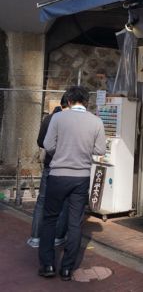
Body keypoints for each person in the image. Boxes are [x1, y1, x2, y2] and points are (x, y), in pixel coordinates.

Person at [38, 86, 106, 281]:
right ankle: (67, 269)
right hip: (81, 177)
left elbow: (48, 144)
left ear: (68, 101)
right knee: (75, 222)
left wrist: (62, 154)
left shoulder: (58, 118)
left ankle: (48, 265)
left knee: (50, 219)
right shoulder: (96, 121)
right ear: (86, 102)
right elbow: (100, 149)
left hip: (58, 175)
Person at [27, 93, 70, 248]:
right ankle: (58, 237)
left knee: (42, 201)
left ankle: (35, 237)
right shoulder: (69, 120)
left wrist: (51, 149)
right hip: (66, 167)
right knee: (64, 202)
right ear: (70, 104)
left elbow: (40, 141)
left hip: (49, 165)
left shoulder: (48, 119)